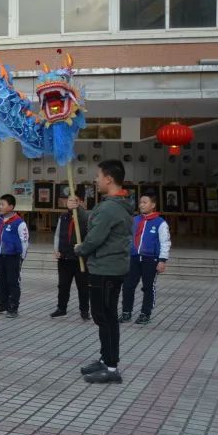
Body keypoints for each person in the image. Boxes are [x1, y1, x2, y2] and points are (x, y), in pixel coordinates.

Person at [75, 160, 134, 384]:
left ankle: (111, 368)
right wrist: (78, 210)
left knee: (106, 317)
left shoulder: (110, 207)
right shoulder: (114, 204)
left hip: (106, 270)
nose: (96, 179)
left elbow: (94, 237)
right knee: (105, 316)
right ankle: (106, 358)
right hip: (108, 268)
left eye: (98, 176)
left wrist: (81, 249)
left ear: (109, 179)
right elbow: (95, 220)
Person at [120, 193, 170, 326]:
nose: (141, 205)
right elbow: (126, 238)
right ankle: (126, 312)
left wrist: (162, 260)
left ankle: (145, 313)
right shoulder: (134, 220)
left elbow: (165, 242)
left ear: (153, 205)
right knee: (128, 286)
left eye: (145, 202)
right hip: (133, 258)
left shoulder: (160, 223)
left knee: (148, 287)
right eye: (140, 202)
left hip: (150, 259)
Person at [51, 190, 90, 321]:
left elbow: (90, 235)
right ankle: (61, 308)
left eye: (75, 201)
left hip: (80, 258)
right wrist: (56, 249)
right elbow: (57, 234)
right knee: (63, 285)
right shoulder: (63, 217)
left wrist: (78, 210)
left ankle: (84, 311)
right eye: (69, 200)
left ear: (80, 203)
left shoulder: (86, 216)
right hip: (64, 257)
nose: (71, 203)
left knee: (83, 286)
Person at [0, 194, 29, 318]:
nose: (0, 207)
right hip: (0, 255)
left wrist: (21, 258)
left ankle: (13, 307)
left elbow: (24, 241)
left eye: (3, 204)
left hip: (13, 257)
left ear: (11, 206)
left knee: (12, 282)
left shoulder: (19, 222)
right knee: (1, 281)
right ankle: (3, 304)